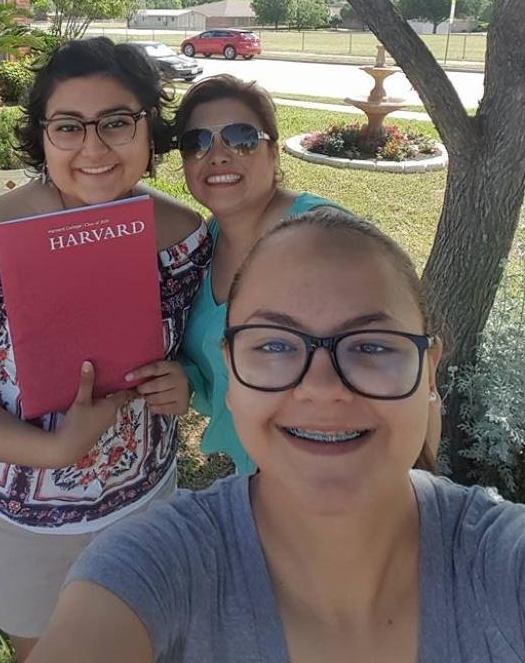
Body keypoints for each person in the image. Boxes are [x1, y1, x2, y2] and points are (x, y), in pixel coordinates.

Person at [31, 209, 525, 663]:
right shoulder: (153, 568)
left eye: (372, 346)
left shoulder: (502, 561)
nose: (322, 389)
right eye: (273, 344)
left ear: (429, 372)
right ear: (230, 373)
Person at [0, 38, 210, 660]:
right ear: (43, 137)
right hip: (25, 521)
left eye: (117, 123)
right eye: (69, 126)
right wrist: (56, 447)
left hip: (145, 500)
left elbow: (198, 355)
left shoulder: (184, 239)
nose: (94, 148)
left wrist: (181, 379)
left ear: (148, 131)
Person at [175, 74, 342, 473]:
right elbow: (217, 360)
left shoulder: (323, 234)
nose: (217, 154)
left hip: (323, 478)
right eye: (196, 142)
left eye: (241, 137)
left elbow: (397, 355)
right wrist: (186, 380)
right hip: (254, 483)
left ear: (274, 153)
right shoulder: (203, 244)